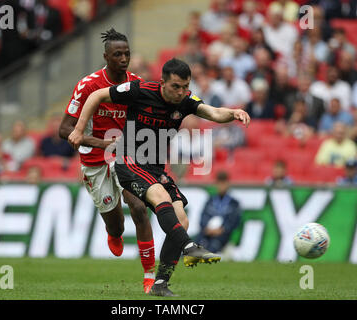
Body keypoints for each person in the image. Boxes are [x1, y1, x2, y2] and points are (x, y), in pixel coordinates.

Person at [67, 58, 251, 296]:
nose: (181, 92)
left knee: (181, 219)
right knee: (159, 196)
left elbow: (214, 112)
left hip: (155, 168)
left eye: (186, 86)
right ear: (163, 82)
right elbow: (96, 96)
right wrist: (79, 130)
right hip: (128, 160)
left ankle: (161, 283)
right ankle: (189, 246)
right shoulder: (140, 90)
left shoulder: (186, 101)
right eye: (176, 86)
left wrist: (234, 112)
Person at [58, 28, 156, 294]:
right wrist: (103, 144)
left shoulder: (137, 85)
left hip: (126, 157)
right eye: (117, 54)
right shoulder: (88, 85)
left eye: (127, 53)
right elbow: (65, 130)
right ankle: (114, 232)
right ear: (106, 56)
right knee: (116, 223)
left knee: (137, 206)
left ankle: (150, 276)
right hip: (95, 160)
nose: (124, 59)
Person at [195, 171, 242, 253]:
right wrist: (206, 228)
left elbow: (234, 221)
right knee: (195, 246)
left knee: (212, 248)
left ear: (228, 184)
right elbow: (203, 217)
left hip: (223, 235)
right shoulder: (210, 201)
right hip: (207, 233)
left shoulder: (234, 203)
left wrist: (222, 229)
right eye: (219, 183)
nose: (221, 186)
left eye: (223, 183)